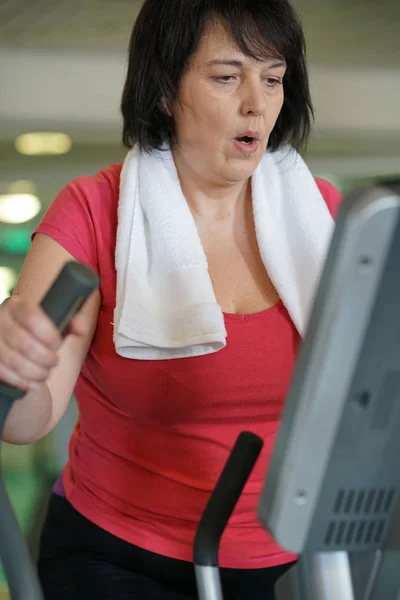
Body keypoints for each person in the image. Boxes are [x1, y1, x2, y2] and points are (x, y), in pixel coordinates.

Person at [0, 1, 342, 599]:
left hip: (287, 556)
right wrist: (13, 364)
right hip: (117, 554)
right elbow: (28, 419)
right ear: (164, 90)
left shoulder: (326, 219)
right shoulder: (94, 212)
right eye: (226, 76)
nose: (256, 104)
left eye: (272, 78)